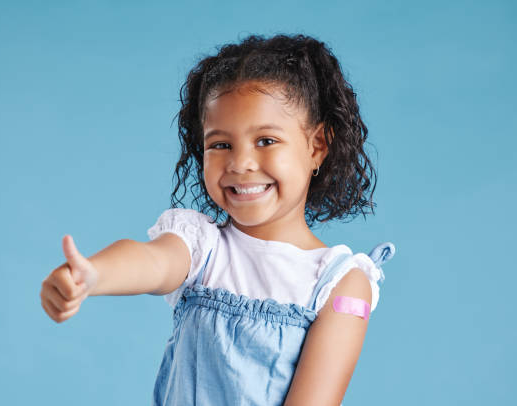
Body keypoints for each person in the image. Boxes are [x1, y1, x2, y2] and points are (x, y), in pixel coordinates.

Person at [40, 33, 396, 406]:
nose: (240, 163)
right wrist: (94, 275)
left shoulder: (340, 285)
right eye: (220, 144)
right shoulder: (201, 247)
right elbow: (152, 261)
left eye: (266, 141)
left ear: (317, 146)